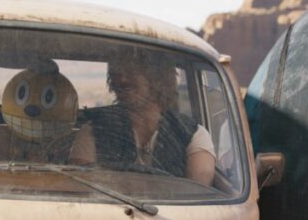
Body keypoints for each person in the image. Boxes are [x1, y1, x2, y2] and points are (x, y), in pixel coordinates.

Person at [65, 49, 216, 186]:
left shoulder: (193, 135)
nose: (122, 79)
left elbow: (196, 199)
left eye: (132, 70)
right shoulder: (94, 130)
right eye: (116, 72)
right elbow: (80, 188)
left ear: (158, 78)